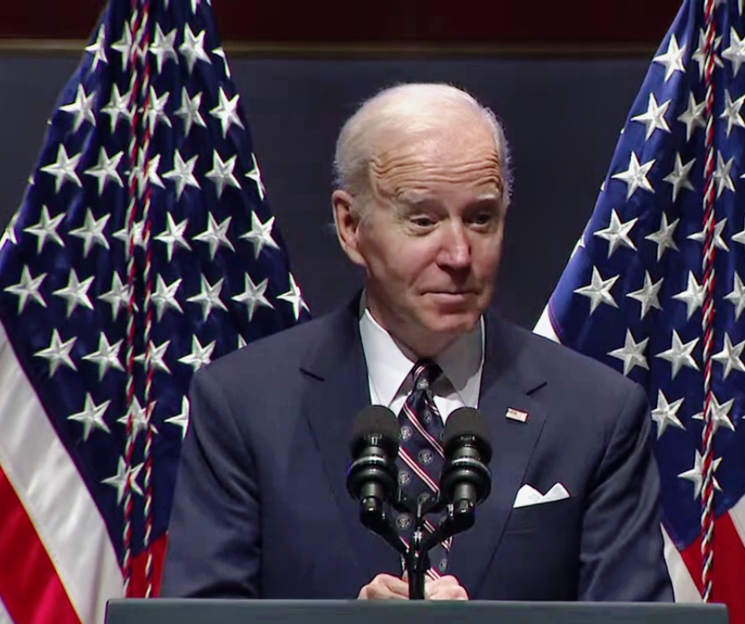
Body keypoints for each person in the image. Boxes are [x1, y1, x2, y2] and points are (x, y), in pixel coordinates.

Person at [161, 83, 673, 601]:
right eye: (423, 220)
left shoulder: (596, 413)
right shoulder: (243, 406)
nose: (457, 254)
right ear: (351, 225)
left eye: (480, 219)